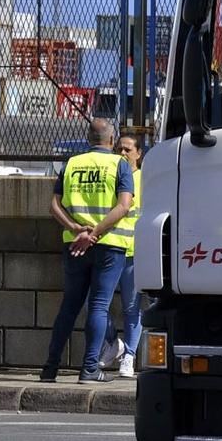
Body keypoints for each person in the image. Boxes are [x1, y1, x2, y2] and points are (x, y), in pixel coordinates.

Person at [39, 119, 135, 385]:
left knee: (69, 306)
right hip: (109, 244)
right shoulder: (120, 165)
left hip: (74, 244)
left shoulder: (71, 163)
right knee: (99, 306)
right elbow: (124, 206)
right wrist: (95, 233)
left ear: (88, 137)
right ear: (112, 138)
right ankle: (89, 369)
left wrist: (75, 228)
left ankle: (50, 368)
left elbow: (54, 205)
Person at [97, 132, 143, 378]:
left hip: (134, 252)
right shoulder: (112, 175)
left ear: (138, 153)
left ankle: (130, 356)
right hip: (111, 248)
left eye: (127, 149)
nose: (122, 153)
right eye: (119, 149)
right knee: (96, 304)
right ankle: (114, 342)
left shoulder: (145, 179)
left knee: (131, 308)